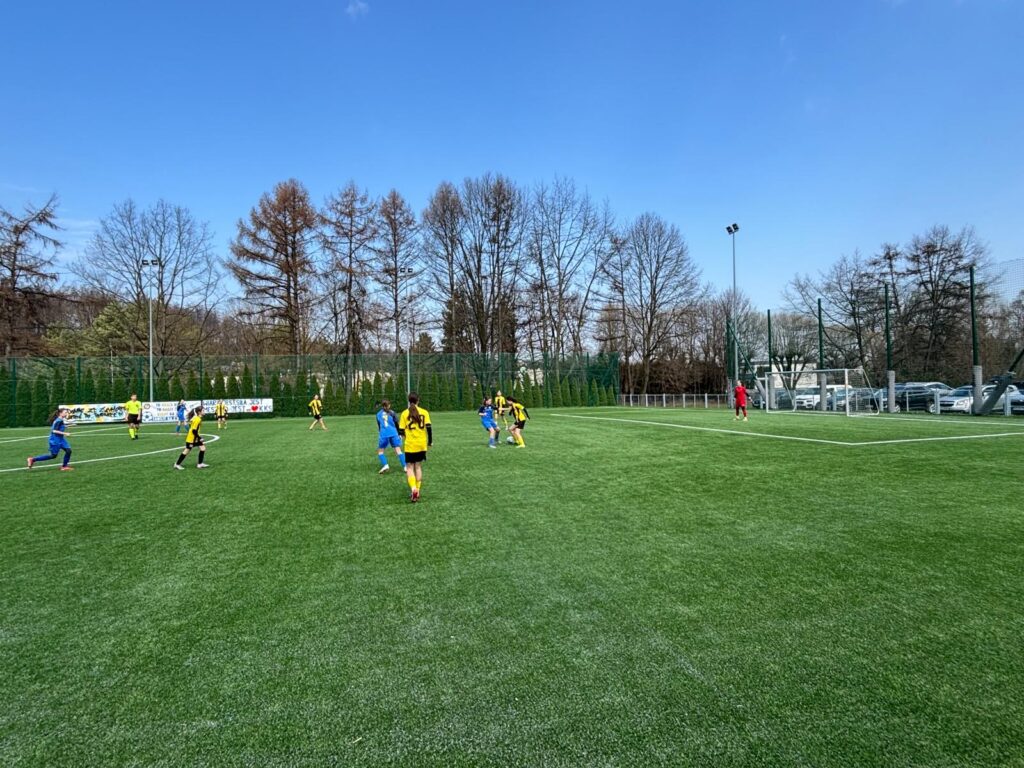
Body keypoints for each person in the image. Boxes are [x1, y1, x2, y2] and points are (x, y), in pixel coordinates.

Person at [398, 392, 432, 502]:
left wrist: (406, 436)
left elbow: (401, 431)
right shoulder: (424, 412)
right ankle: (418, 489)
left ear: (409, 401)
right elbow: (429, 428)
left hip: (410, 444)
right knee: (418, 467)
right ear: (418, 400)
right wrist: (430, 442)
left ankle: (413, 489)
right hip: (421, 444)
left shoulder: (404, 413)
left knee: (409, 467)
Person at [375, 399, 407, 474]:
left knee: (380, 451)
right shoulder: (392, 413)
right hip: (394, 433)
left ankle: (385, 465)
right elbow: (397, 424)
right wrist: (400, 433)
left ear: (382, 406)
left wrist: (380, 432)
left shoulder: (378, 414)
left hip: (384, 434)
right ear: (389, 405)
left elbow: (379, 426)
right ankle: (405, 467)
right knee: (398, 450)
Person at [174, 405, 210, 469]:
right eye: (203, 410)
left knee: (203, 448)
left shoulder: (196, 417)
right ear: (199, 412)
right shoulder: (197, 419)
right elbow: (194, 430)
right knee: (186, 451)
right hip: (191, 438)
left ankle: (200, 464)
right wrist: (200, 438)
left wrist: (198, 437)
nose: (204, 411)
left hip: (195, 437)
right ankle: (177, 464)